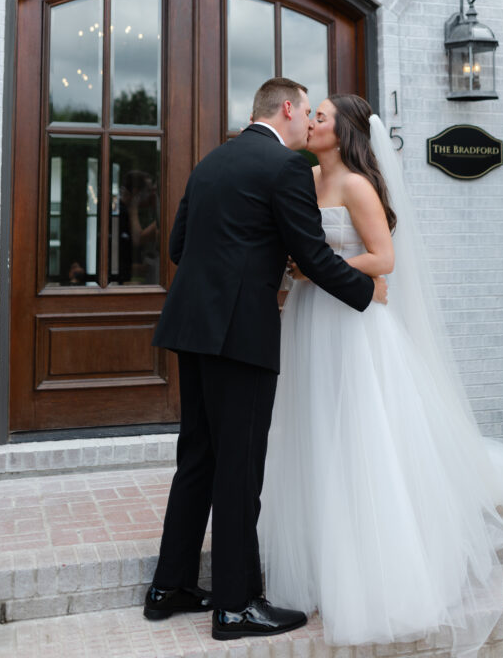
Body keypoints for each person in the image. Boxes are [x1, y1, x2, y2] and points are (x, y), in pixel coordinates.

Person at [259, 94, 503, 655]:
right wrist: (298, 269)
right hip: (309, 317)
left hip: (352, 325)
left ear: (343, 132)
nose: (311, 121)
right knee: (316, 430)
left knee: (360, 435)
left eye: (320, 116)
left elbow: (385, 258)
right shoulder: (306, 181)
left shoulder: (355, 185)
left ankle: (379, 567)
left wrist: (321, 267)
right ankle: (322, 557)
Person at [144, 78, 388, 640]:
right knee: (239, 468)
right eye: (307, 112)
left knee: (198, 460)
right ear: (287, 109)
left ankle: (169, 585)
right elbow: (309, 253)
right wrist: (365, 297)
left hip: (192, 329)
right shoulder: (282, 169)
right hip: (241, 337)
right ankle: (235, 604)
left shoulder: (212, 161)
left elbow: (180, 248)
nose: (309, 124)